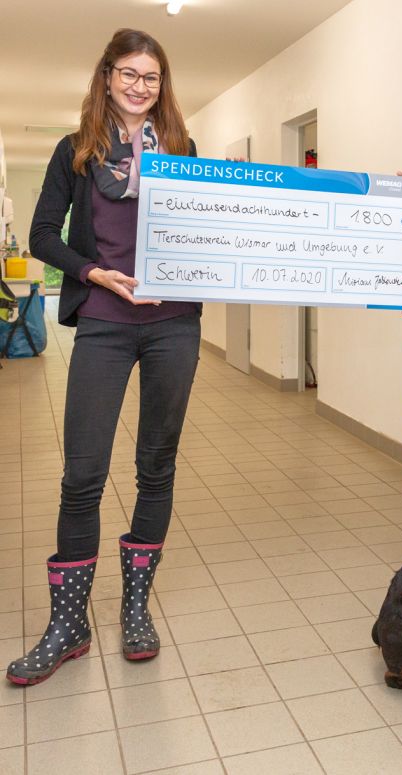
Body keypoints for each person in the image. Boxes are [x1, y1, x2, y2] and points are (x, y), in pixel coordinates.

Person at [7, 29, 201, 685]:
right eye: (130, 73)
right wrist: (92, 272)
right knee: (82, 472)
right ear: (108, 75)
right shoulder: (77, 151)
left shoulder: (182, 150)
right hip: (104, 323)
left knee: (157, 463)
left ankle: (135, 609)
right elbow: (40, 235)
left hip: (175, 325)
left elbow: (212, 229)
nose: (140, 85)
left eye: (152, 76)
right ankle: (68, 624)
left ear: (161, 83)